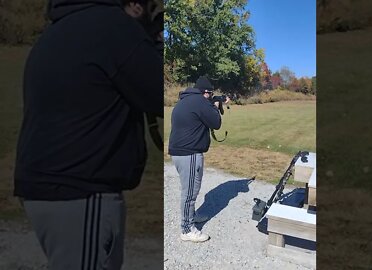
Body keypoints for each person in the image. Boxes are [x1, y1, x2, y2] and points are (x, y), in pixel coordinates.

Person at [13, 0, 163, 269]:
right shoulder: (112, 26)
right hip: (80, 191)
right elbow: (160, 94)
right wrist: (153, 42)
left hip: (49, 185)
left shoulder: (62, 27)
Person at [168, 76, 229, 242]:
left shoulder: (185, 100)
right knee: (189, 193)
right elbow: (216, 123)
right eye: (210, 93)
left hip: (179, 153)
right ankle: (187, 229)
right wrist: (216, 106)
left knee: (188, 190)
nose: (210, 96)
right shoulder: (200, 101)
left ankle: (192, 216)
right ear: (206, 92)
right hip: (190, 153)